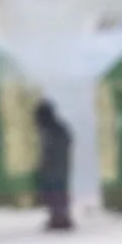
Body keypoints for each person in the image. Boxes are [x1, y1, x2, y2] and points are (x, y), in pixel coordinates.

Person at [34, 99, 74, 232]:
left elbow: (49, 151)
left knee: (55, 193)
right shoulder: (60, 128)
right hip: (60, 167)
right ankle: (59, 218)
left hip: (54, 168)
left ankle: (59, 219)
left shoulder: (50, 131)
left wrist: (43, 165)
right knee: (58, 193)